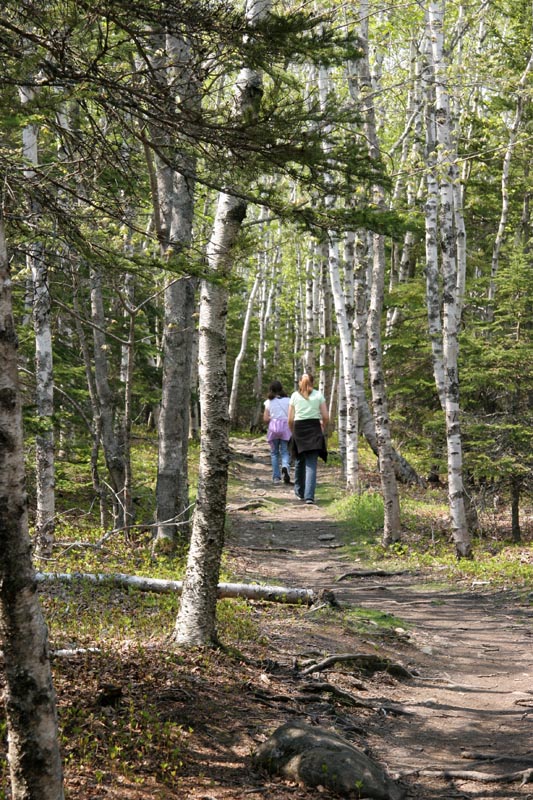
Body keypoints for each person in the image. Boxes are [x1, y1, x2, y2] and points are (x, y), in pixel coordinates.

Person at [288, 373, 329, 505]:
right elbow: (326, 416)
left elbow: (290, 419)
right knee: (311, 463)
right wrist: (323, 425)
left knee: (300, 460)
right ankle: (309, 496)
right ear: (313, 382)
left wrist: (292, 431)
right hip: (314, 427)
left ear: (300, 382)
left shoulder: (294, 396)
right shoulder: (318, 395)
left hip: (299, 428)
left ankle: (299, 492)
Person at [263, 380, 292, 484]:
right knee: (285, 451)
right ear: (281, 388)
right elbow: (291, 416)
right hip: (285, 428)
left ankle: (276, 477)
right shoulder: (289, 400)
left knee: (274, 453)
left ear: (271, 389)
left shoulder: (268, 402)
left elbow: (265, 419)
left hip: (274, 429)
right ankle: (285, 466)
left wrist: (273, 418)